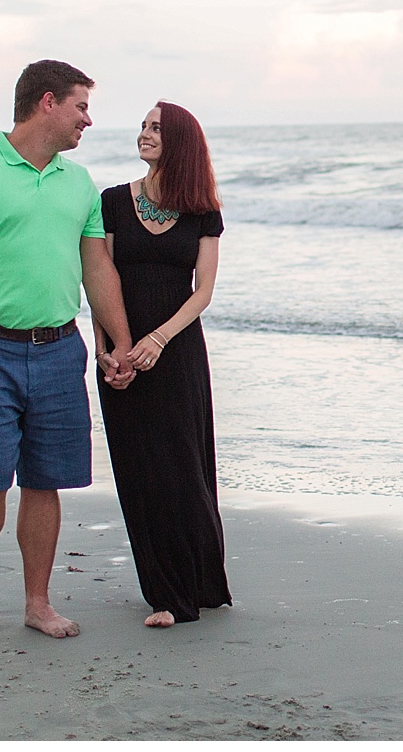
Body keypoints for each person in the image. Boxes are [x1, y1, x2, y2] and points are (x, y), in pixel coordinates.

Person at [0, 59, 136, 638]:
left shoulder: (78, 183)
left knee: (47, 479)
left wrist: (120, 341)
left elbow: (96, 267)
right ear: (47, 102)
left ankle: (37, 603)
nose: (88, 120)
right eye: (81, 106)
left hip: (61, 349)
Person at [95, 100, 232, 628]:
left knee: (184, 470)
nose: (145, 134)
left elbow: (204, 293)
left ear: (180, 142)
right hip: (121, 355)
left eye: (156, 128)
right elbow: (99, 279)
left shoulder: (202, 210)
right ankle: (165, 593)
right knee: (139, 473)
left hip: (177, 353)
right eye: (144, 126)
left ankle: (198, 586)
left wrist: (158, 339)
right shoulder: (111, 201)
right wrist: (109, 350)